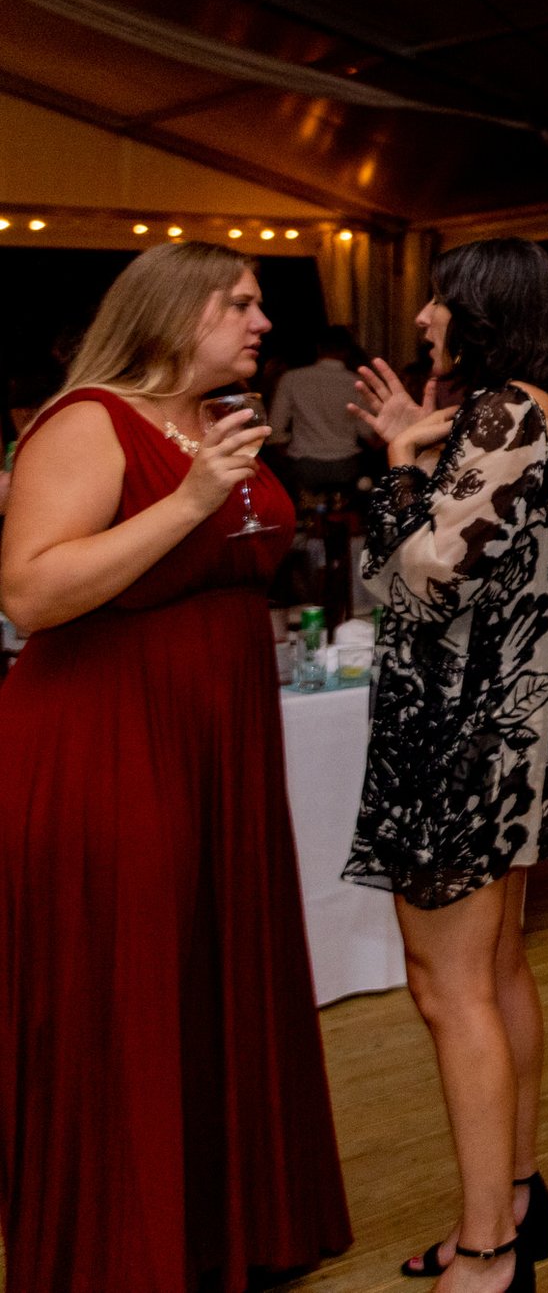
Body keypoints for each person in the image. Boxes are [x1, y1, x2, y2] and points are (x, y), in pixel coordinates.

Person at [0, 241, 351, 1291]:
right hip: (106, 735)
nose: (262, 321)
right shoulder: (87, 421)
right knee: (128, 986)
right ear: (173, 309)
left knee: (212, 974)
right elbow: (28, 592)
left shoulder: (216, 423)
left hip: (219, 743)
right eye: (239, 303)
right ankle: (119, 1254)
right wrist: (191, 500)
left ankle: (226, 1231)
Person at [346, 238, 548, 1292]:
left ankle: (489, 1256)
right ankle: (510, 1197)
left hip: (467, 741)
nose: (421, 318)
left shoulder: (506, 411)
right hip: (502, 735)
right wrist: (424, 444)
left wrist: (400, 467)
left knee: (447, 986)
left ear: (482, 312)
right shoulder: (526, 411)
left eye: (438, 303)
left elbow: (420, 583)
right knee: (494, 970)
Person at [269, 324, 369, 497]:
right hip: (346, 463)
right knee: (346, 515)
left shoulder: (292, 378)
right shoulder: (357, 382)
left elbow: (275, 426)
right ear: (346, 351)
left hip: (304, 463)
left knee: (307, 516)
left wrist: (284, 450)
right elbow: (365, 430)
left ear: (319, 348)